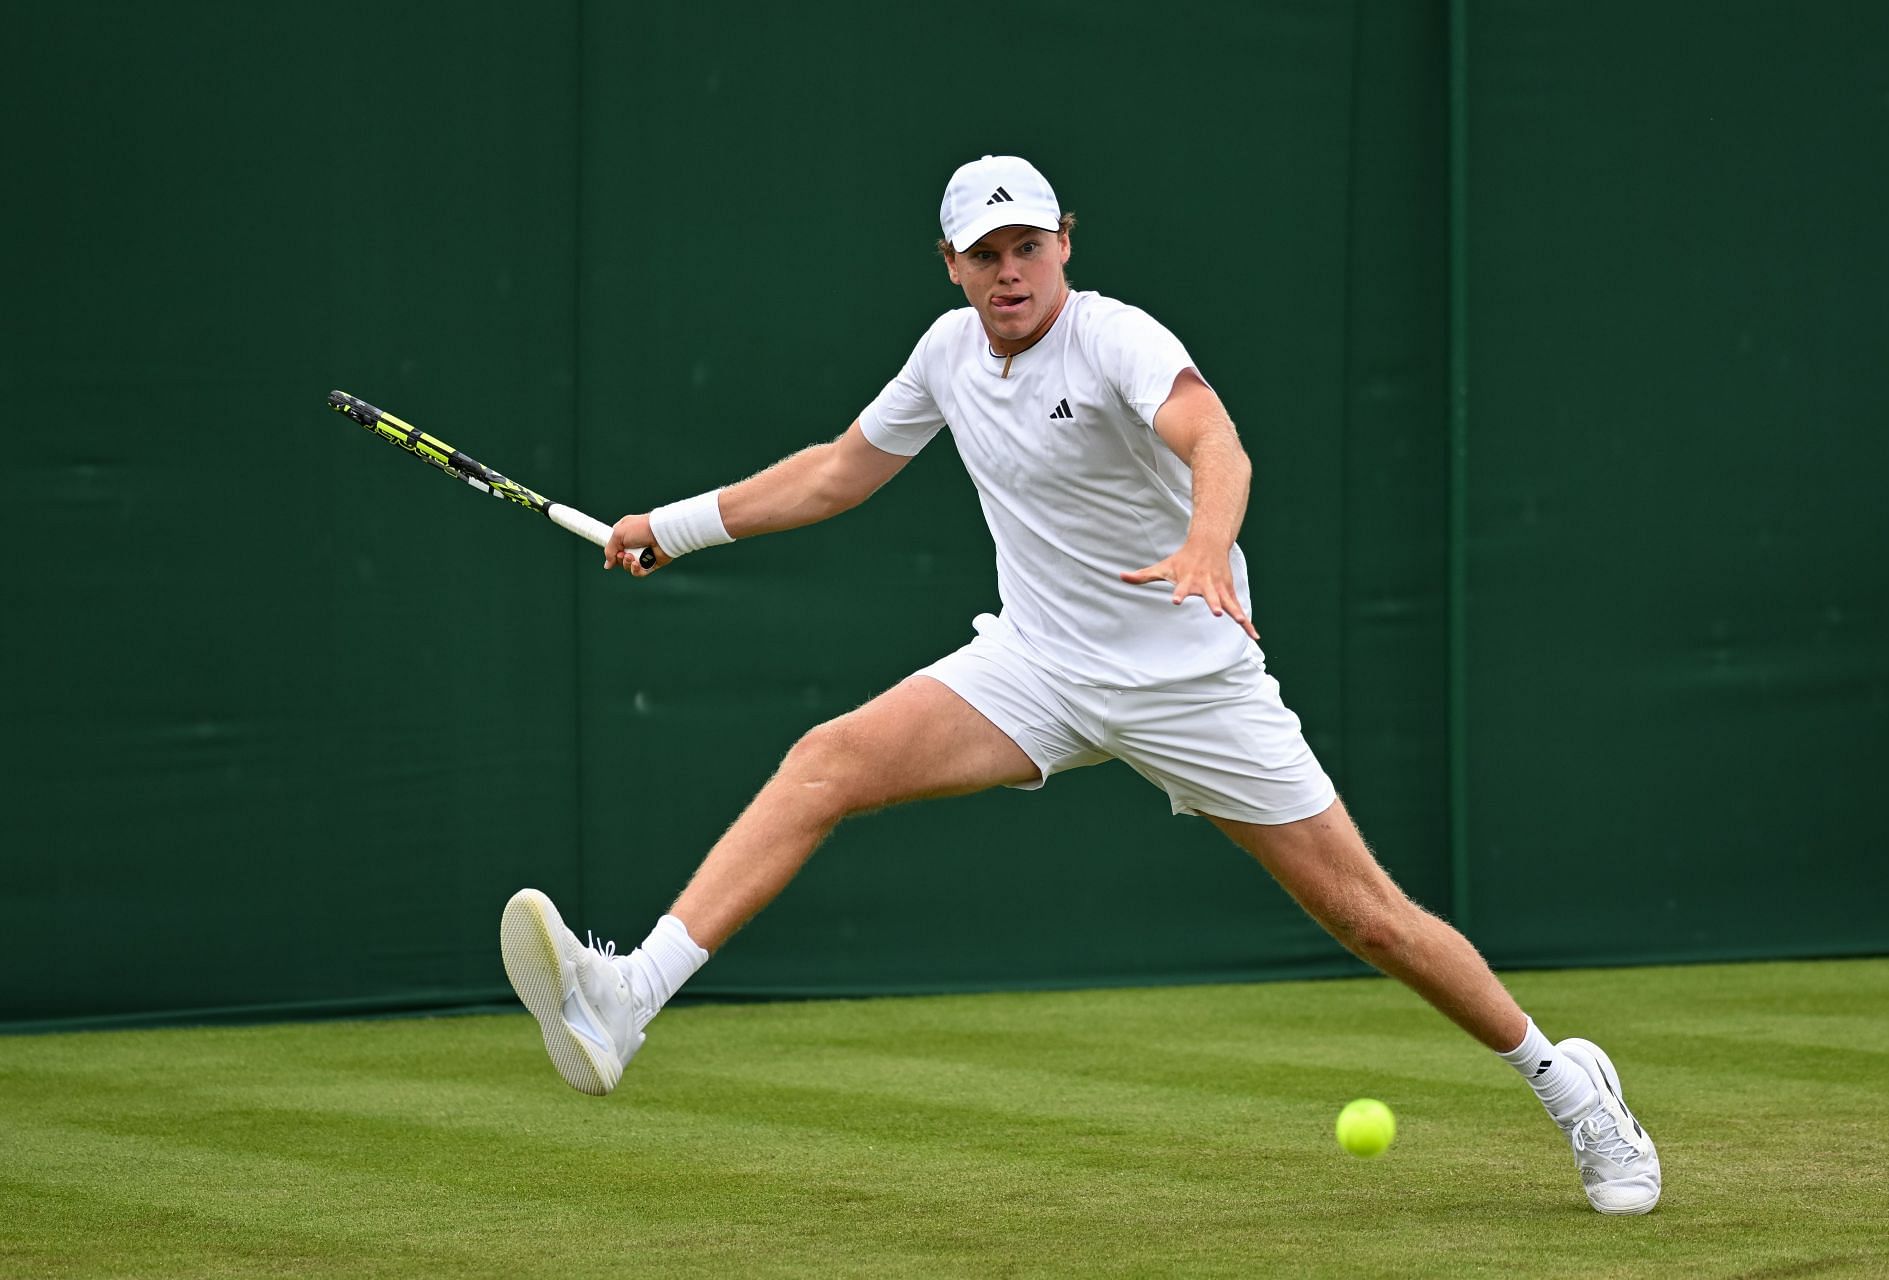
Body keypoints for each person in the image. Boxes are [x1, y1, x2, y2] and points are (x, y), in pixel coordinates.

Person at [498, 154, 1661, 1215]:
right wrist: (675, 527)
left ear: (1064, 241)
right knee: (827, 760)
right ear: (951, 265)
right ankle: (626, 997)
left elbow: (1217, 440)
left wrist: (1207, 545)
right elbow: (836, 474)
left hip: (1190, 679)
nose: (1010, 272)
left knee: (1370, 917)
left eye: (1027, 248)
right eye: (984, 255)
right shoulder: (946, 355)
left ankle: (1569, 1083)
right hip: (1040, 665)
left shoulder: (1115, 338)